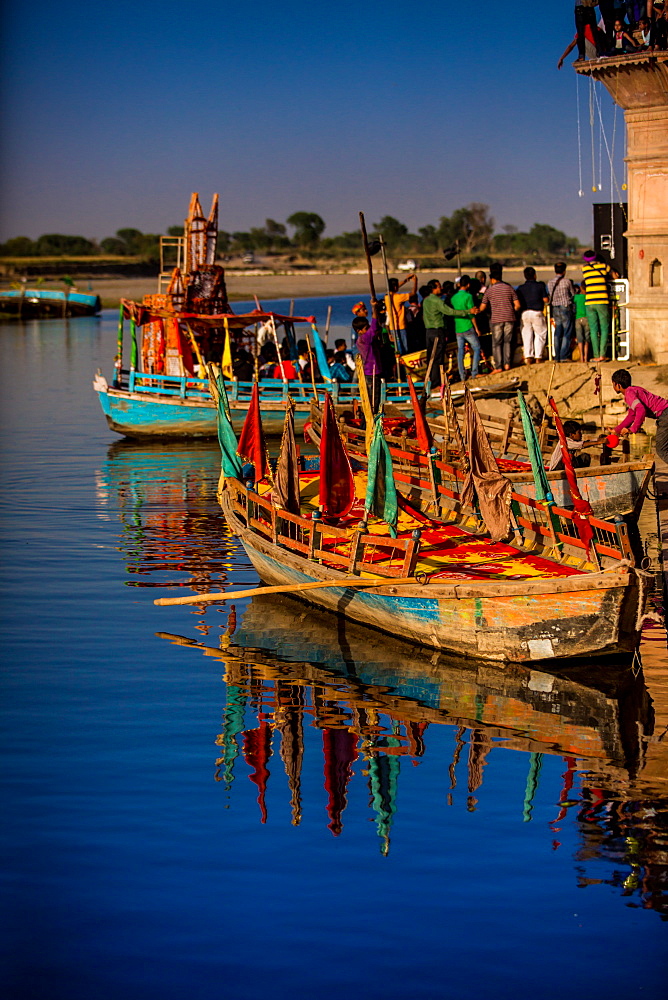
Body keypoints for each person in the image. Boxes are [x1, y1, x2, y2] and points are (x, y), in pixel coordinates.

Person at [422, 279, 477, 389]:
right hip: (437, 331)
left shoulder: (426, 301)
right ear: (433, 289)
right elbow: (450, 312)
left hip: (429, 332)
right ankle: (436, 383)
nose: (440, 288)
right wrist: (467, 312)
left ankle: (432, 381)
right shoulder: (437, 301)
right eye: (438, 287)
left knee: (431, 358)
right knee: (438, 357)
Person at [611, 369, 668, 462]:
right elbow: (632, 415)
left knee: (661, 450)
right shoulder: (634, 390)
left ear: (618, 385)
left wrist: (633, 429)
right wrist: (616, 430)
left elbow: (641, 409)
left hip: (665, 415)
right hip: (666, 412)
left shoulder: (629, 393)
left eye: (613, 384)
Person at [478, 264, 520, 372]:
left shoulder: (490, 291)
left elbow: (482, 307)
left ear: (492, 279)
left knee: (496, 343)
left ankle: (499, 366)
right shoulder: (509, 288)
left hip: (496, 319)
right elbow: (518, 305)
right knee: (507, 342)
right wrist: (511, 309)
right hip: (510, 318)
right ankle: (507, 364)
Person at [581, 250, 612, 359]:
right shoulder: (604, 266)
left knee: (593, 330)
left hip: (589, 301)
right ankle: (603, 355)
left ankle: (596, 355)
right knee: (604, 328)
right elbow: (612, 274)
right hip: (602, 300)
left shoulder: (584, 269)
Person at [450, 275, 481, 382]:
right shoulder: (468, 296)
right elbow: (472, 314)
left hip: (458, 327)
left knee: (461, 352)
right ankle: (474, 372)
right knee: (476, 348)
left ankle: (462, 375)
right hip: (467, 326)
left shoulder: (454, 298)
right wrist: (477, 328)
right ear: (468, 285)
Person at [516, 266, 549, 365]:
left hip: (525, 313)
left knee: (527, 335)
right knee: (540, 334)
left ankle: (529, 356)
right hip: (537, 312)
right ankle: (538, 357)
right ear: (535, 275)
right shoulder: (540, 286)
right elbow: (546, 300)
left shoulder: (520, 288)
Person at [354, 301, 383, 410]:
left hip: (371, 371)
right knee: (374, 401)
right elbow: (374, 326)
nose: (368, 330)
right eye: (366, 328)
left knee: (372, 399)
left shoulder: (364, 339)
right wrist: (374, 308)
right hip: (372, 372)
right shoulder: (364, 338)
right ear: (359, 331)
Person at [548, 262, 577, 362]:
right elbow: (572, 294)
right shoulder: (567, 281)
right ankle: (564, 355)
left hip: (555, 308)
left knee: (557, 332)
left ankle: (557, 356)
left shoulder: (550, 282)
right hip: (565, 307)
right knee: (566, 332)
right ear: (564, 271)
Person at [384, 273, 417, 355]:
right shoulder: (398, 297)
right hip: (400, 326)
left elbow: (394, 287)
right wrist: (415, 282)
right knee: (404, 348)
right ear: (395, 287)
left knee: (398, 347)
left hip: (392, 327)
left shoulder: (387, 297)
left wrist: (406, 281)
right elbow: (413, 293)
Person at [573, 283, 591, 361]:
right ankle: (586, 357)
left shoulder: (576, 297)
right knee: (587, 339)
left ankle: (581, 357)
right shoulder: (588, 297)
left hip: (578, 318)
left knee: (580, 339)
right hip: (587, 318)